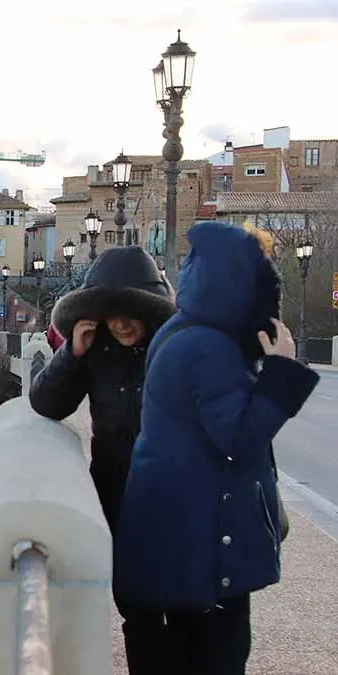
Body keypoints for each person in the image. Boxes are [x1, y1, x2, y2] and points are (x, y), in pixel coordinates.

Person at [113, 221, 320, 674]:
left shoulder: (182, 333)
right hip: (204, 551)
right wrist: (282, 372)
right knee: (218, 658)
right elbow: (240, 438)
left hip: (182, 541)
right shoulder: (210, 348)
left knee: (188, 651)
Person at [27, 246, 176, 673]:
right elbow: (46, 403)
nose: (123, 323)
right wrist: (71, 353)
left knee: (185, 605)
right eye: (113, 313)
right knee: (136, 605)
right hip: (117, 493)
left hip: (173, 495)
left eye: (132, 312)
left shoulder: (174, 349)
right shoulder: (94, 352)